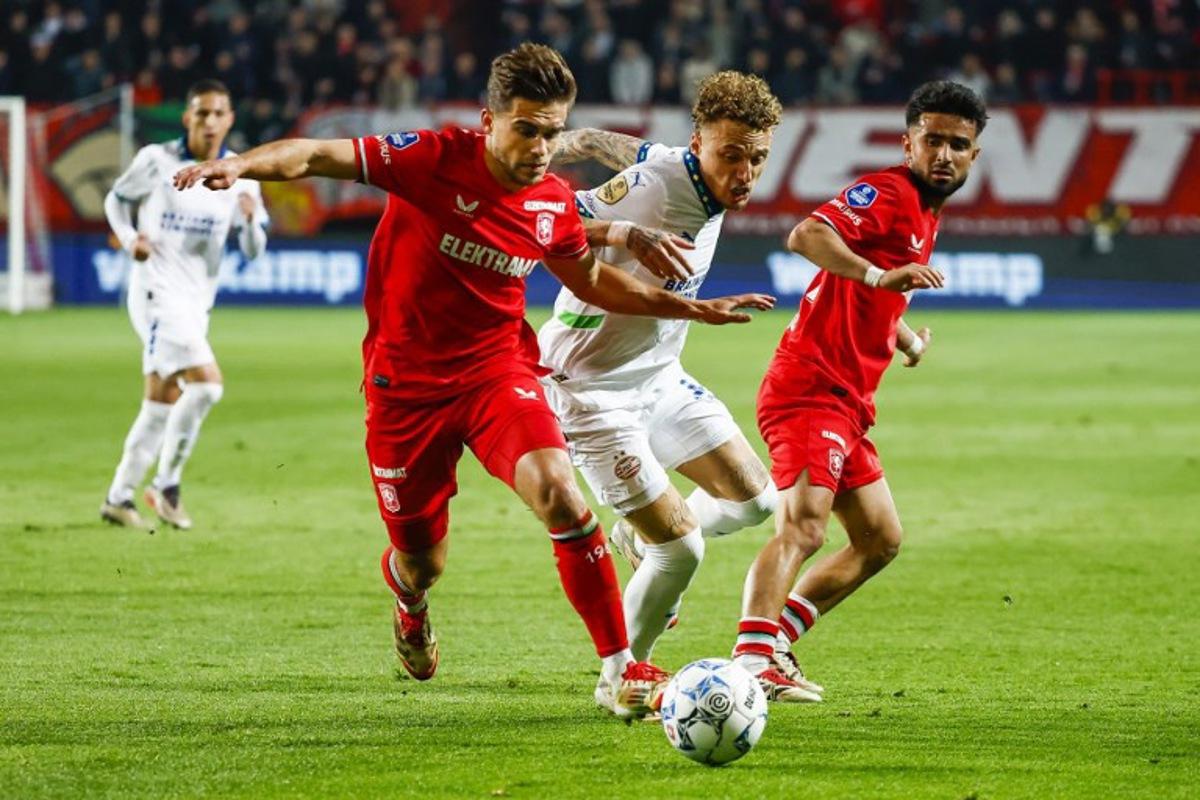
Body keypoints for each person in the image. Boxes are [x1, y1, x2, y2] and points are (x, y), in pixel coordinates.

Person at [172, 43, 773, 720]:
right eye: (527, 130)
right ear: (489, 121)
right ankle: (410, 601)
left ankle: (620, 670)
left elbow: (594, 282)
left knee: (561, 496)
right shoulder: (430, 158)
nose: (541, 149)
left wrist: (689, 307)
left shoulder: (549, 201)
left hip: (498, 373)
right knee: (421, 561)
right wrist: (239, 166)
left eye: (552, 133)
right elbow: (314, 154)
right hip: (406, 390)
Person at [542, 71, 820, 699]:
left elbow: (630, 147)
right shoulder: (652, 192)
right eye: (731, 155)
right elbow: (544, 223)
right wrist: (620, 231)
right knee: (683, 549)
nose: (745, 173)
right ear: (699, 144)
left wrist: (579, 139)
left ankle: (635, 539)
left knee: (755, 501)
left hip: (659, 377)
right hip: (590, 388)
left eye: (757, 158)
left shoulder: (682, 167)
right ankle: (622, 677)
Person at [732, 81, 987, 696]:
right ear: (907, 144)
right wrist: (877, 273)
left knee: (879, 540)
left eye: (958, 145)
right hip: (810, 388)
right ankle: (751, 663)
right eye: (932, 140)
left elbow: (876, 296)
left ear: (974, 155)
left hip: (847, 402)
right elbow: (806, 236)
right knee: (804, 528)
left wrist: (906, 340)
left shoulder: (925, 211)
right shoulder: (890, 193)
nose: (944, 155)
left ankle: (776, 642)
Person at [101, 78, 268, 531]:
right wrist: (129, 239)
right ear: (187, 117)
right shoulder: (156, 160)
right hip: (156, 292)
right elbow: (116, 199)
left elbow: (254, 251)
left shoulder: (241, 173)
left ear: (230, 120)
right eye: (202, 112)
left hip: (196, 302)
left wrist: (249, 221)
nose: (209, 121)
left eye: (218, 113)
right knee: (207, 385)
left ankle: (118, 497)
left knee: (162, 400)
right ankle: (167, 486)